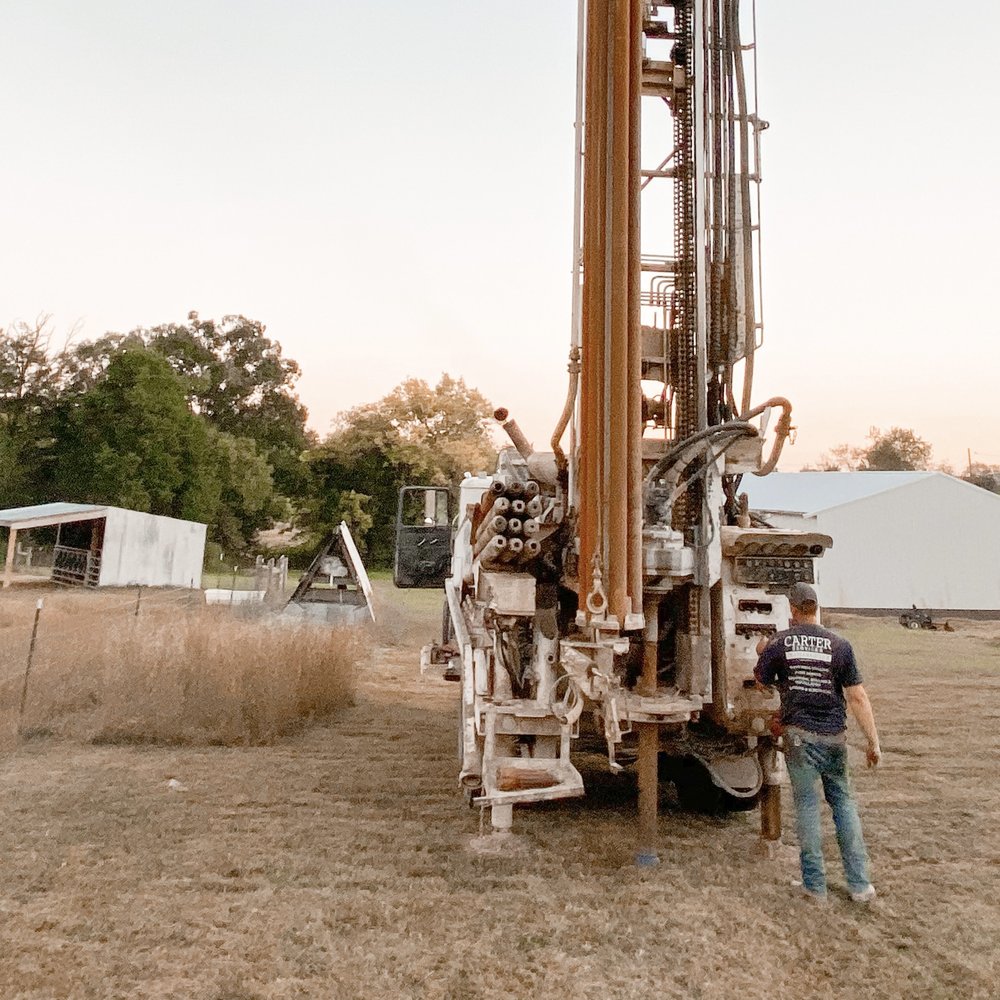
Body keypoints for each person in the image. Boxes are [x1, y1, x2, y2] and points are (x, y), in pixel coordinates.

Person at [755, 582, 881, 903]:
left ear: (793, 610)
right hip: (835, 738)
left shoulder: (780, 643)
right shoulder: (840, 646)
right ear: (816, 607)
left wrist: (762, 652)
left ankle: (815, 886)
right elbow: (857, 696)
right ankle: (860, 884)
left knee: (808, 808)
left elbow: (761, 682)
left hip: (800, 739)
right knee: (844, 805)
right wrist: (873, 742)